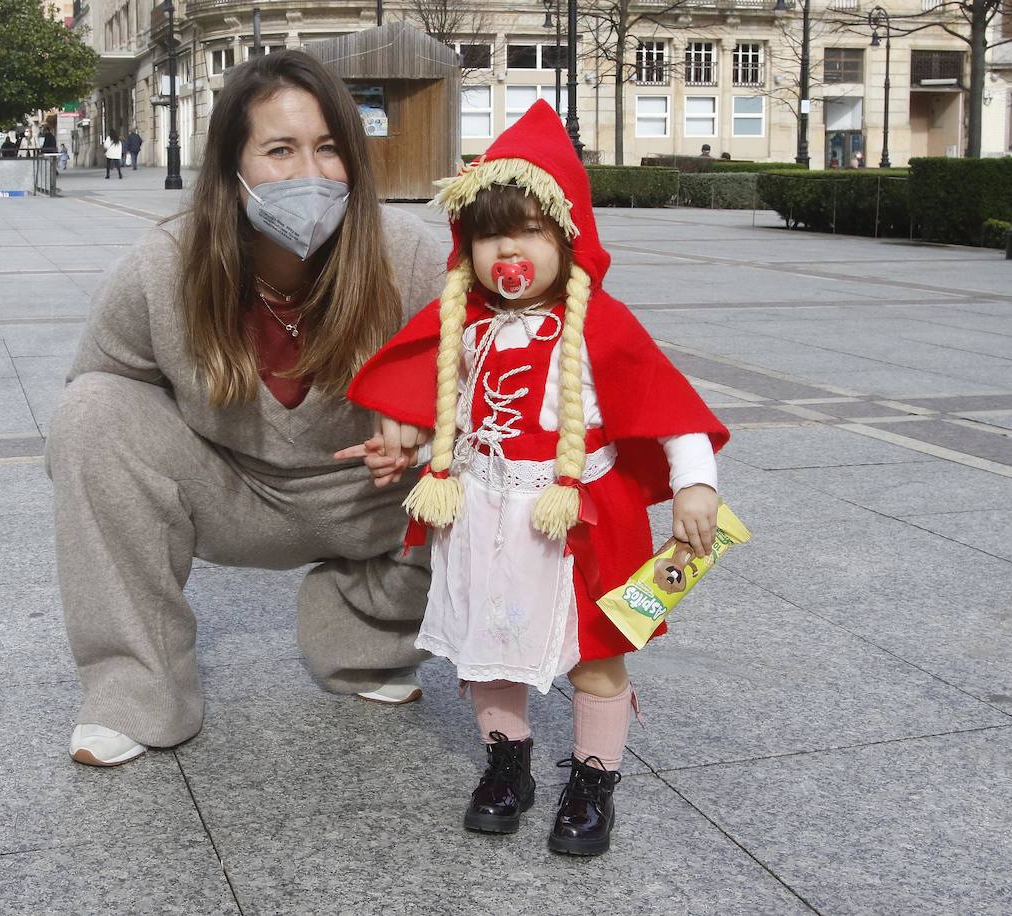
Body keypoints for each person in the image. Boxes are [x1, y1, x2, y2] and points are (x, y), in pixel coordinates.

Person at [344, 100, 729, 856]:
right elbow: (443, 407)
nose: (505, 250)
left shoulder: (602, 324)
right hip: (484, 512)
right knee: (486, 650)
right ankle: (506, 765)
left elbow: (669, 407)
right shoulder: (466, 322)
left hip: (577, 519)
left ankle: (592, 784)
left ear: (566, 236)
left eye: (526, 230)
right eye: (488, 234)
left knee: (598, 655)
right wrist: (409, 442)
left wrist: (696, 483)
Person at [47, 49, 449, 768]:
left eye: (329, 148)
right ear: (232, 172)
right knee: (90, 413)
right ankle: (137, 693)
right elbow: (99, 401)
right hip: (232, 494)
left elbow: (506, 384)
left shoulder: (411, 259)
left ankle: (365, 634)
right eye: (280, 150)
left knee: (510, 465)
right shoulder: (164, 265)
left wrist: (425, 419)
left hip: (373, 495)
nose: (310, 172)